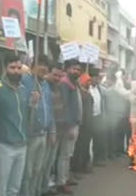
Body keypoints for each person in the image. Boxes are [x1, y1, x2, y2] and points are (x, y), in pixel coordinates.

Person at [0, 53, 29, 196]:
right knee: (0, 187)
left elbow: (26, 116)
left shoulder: (24, 90)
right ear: (5, 68)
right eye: (12, 67)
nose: (16, 71)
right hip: (4, 145)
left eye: (19, 67)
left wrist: (33, 103)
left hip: (22, 145)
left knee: (14, 187)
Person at [21, 54, 55, 196]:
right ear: (32, 66)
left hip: (44, 133)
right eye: (40, 64)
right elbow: (21, 106)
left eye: (46, 66)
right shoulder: (25, 81)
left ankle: (35, 192)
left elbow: (49, 107)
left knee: (38, 168)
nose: (43, 68)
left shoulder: (46, 84)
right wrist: (31, 102)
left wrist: (52, 130)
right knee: (27, 171)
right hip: (30, 134)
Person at [56, 59, 82, 194]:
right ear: (66, 69)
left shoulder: (74, 83)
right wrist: (69, 127)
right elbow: (64, 107)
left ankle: (65, 177)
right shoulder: (65, 84)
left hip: (75, 124)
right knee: (64, 155)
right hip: (69, 126)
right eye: (73, 69)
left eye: (78, 69)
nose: (76, 71)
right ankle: (61, 182)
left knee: (68, 154)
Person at [40, 63, 65, 196]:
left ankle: (45, 187)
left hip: (57, 129)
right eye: (54, 75)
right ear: (48, 73)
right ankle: (40, 188)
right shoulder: (44, 86)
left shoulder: (58, 87)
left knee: (50, 161)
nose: (57, 77)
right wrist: (52, 130)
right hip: (47, 130)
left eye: (59, 76)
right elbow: (48, 111)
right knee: (41, 164)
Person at [71, 73, 93, 175]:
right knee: (79, 147)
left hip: (88, 123)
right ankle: (77, 168)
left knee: (86, 146)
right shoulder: (80, 93)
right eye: (87, 80)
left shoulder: (88, 93)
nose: (89, 82)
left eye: (89, 80)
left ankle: (85, 165)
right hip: (81, 123)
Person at [89, 68, 107, 167]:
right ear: (91, 78)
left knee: (98, 139)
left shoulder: (99, 88)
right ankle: (85, 162)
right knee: (86, 141)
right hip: (89, 118)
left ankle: (97, 159)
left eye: (99, 78)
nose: (98, 80)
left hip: (98, 116)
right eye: (96, 78)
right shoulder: (87, 87)